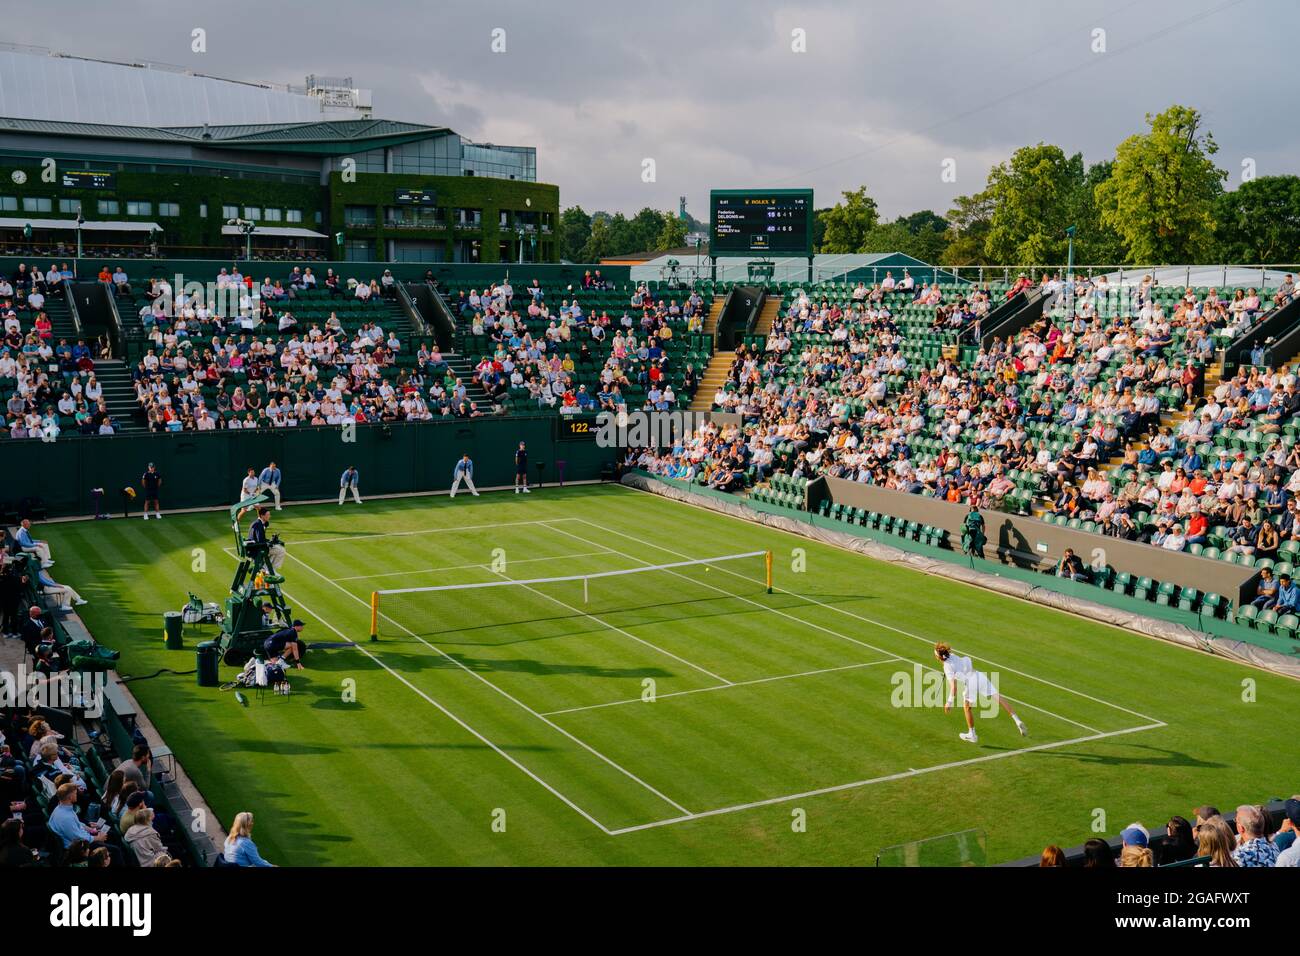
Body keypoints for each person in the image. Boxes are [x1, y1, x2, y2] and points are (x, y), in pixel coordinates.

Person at [935, 641, 1027, 743]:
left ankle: (972, 735)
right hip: (979, 676)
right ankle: (1017, 720)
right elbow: (953, 663)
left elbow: (954, 687)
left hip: (970, 682)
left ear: (939, 657)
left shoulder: (947, 667)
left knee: (967, 707)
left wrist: (949, 702)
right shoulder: (952, 656)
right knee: (998, 697)